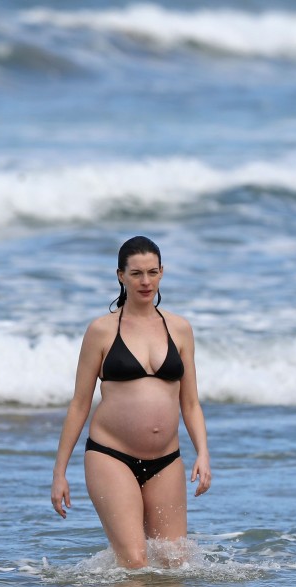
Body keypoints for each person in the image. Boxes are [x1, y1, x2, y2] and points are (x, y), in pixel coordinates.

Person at [50, 236, 212, 568]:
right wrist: (59, 473)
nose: (145, 281)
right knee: (135, 563)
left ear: (162, 273)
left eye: (152, 272)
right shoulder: (101, 331)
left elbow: (191, 403)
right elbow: (80, 404)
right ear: (120, 275)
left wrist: (203, 454)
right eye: (136, 273)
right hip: (111, 456)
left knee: (174, 565)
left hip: (166, 460)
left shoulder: (179, 329)